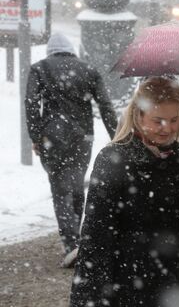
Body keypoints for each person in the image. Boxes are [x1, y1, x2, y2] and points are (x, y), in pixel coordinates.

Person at [70, 76, 179, 307]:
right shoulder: (113, 159)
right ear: (138, 116)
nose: (168, 128)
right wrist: (90, 298)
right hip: (130, 281)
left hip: (178, 277)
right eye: (158, 120)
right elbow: (96, 236)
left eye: (174, 120)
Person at [25, 33, 118, 267]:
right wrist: (117, 137)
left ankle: (71, 244)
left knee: (59, 188)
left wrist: (36, 136)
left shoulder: (39, 69)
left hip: (52, 137)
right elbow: (105, 105)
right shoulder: (88, 69)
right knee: (76, 184)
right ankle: (79, 241)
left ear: (50, 51)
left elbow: (31, 102)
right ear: (71, 51)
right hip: (82, 136)